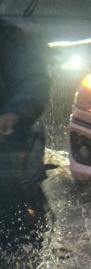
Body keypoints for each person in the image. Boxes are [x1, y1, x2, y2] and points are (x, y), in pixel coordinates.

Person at [0, 16, 51, 200]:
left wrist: (13, 113)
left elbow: (34, 82)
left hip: (7, 141)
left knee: (11, 200)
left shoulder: (9, 37)